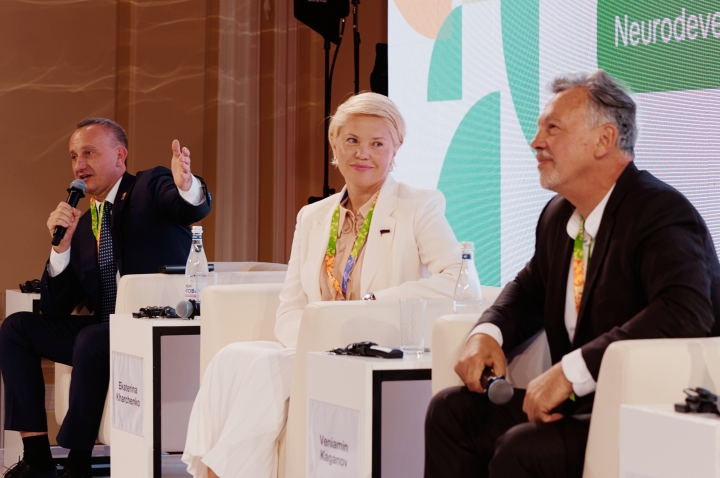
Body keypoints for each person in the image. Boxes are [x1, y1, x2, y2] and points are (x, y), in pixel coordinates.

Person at [424, 70, 720, 478]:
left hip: (640, 411)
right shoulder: (559, 214)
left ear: (604, 139)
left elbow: (685, 310)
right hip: (578, 406)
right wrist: (487, 333)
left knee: (522, 450)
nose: (536, 141)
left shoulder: (659, 211)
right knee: (450, 413)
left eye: (553, 128)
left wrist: (572, 371)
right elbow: (529, 289)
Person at [182, 92, 462, 478]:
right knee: (233, 358)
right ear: (334, 145)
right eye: (352, 140)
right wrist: (312, 345)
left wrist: (373, 302)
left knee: (266, 369)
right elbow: (291, 304)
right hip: (316, 347)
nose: (362, 153)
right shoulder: (313, 216)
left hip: (379, 347)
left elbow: (456, 279)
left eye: (377, 144)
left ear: (395, 149)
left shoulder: (418, 206)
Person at [0, 118, 212, 478]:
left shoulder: (148, 186)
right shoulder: (84, 225)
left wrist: (187, 186)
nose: (79, 165)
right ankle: (38, 460)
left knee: (92, 337)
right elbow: (54, 307)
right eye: (73, 157)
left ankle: (77, 463)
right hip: (103, 333)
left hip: (151, 330)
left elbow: (189, 207)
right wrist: (61, 250)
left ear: (119, 156)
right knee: (16, 328)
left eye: (89, 153)